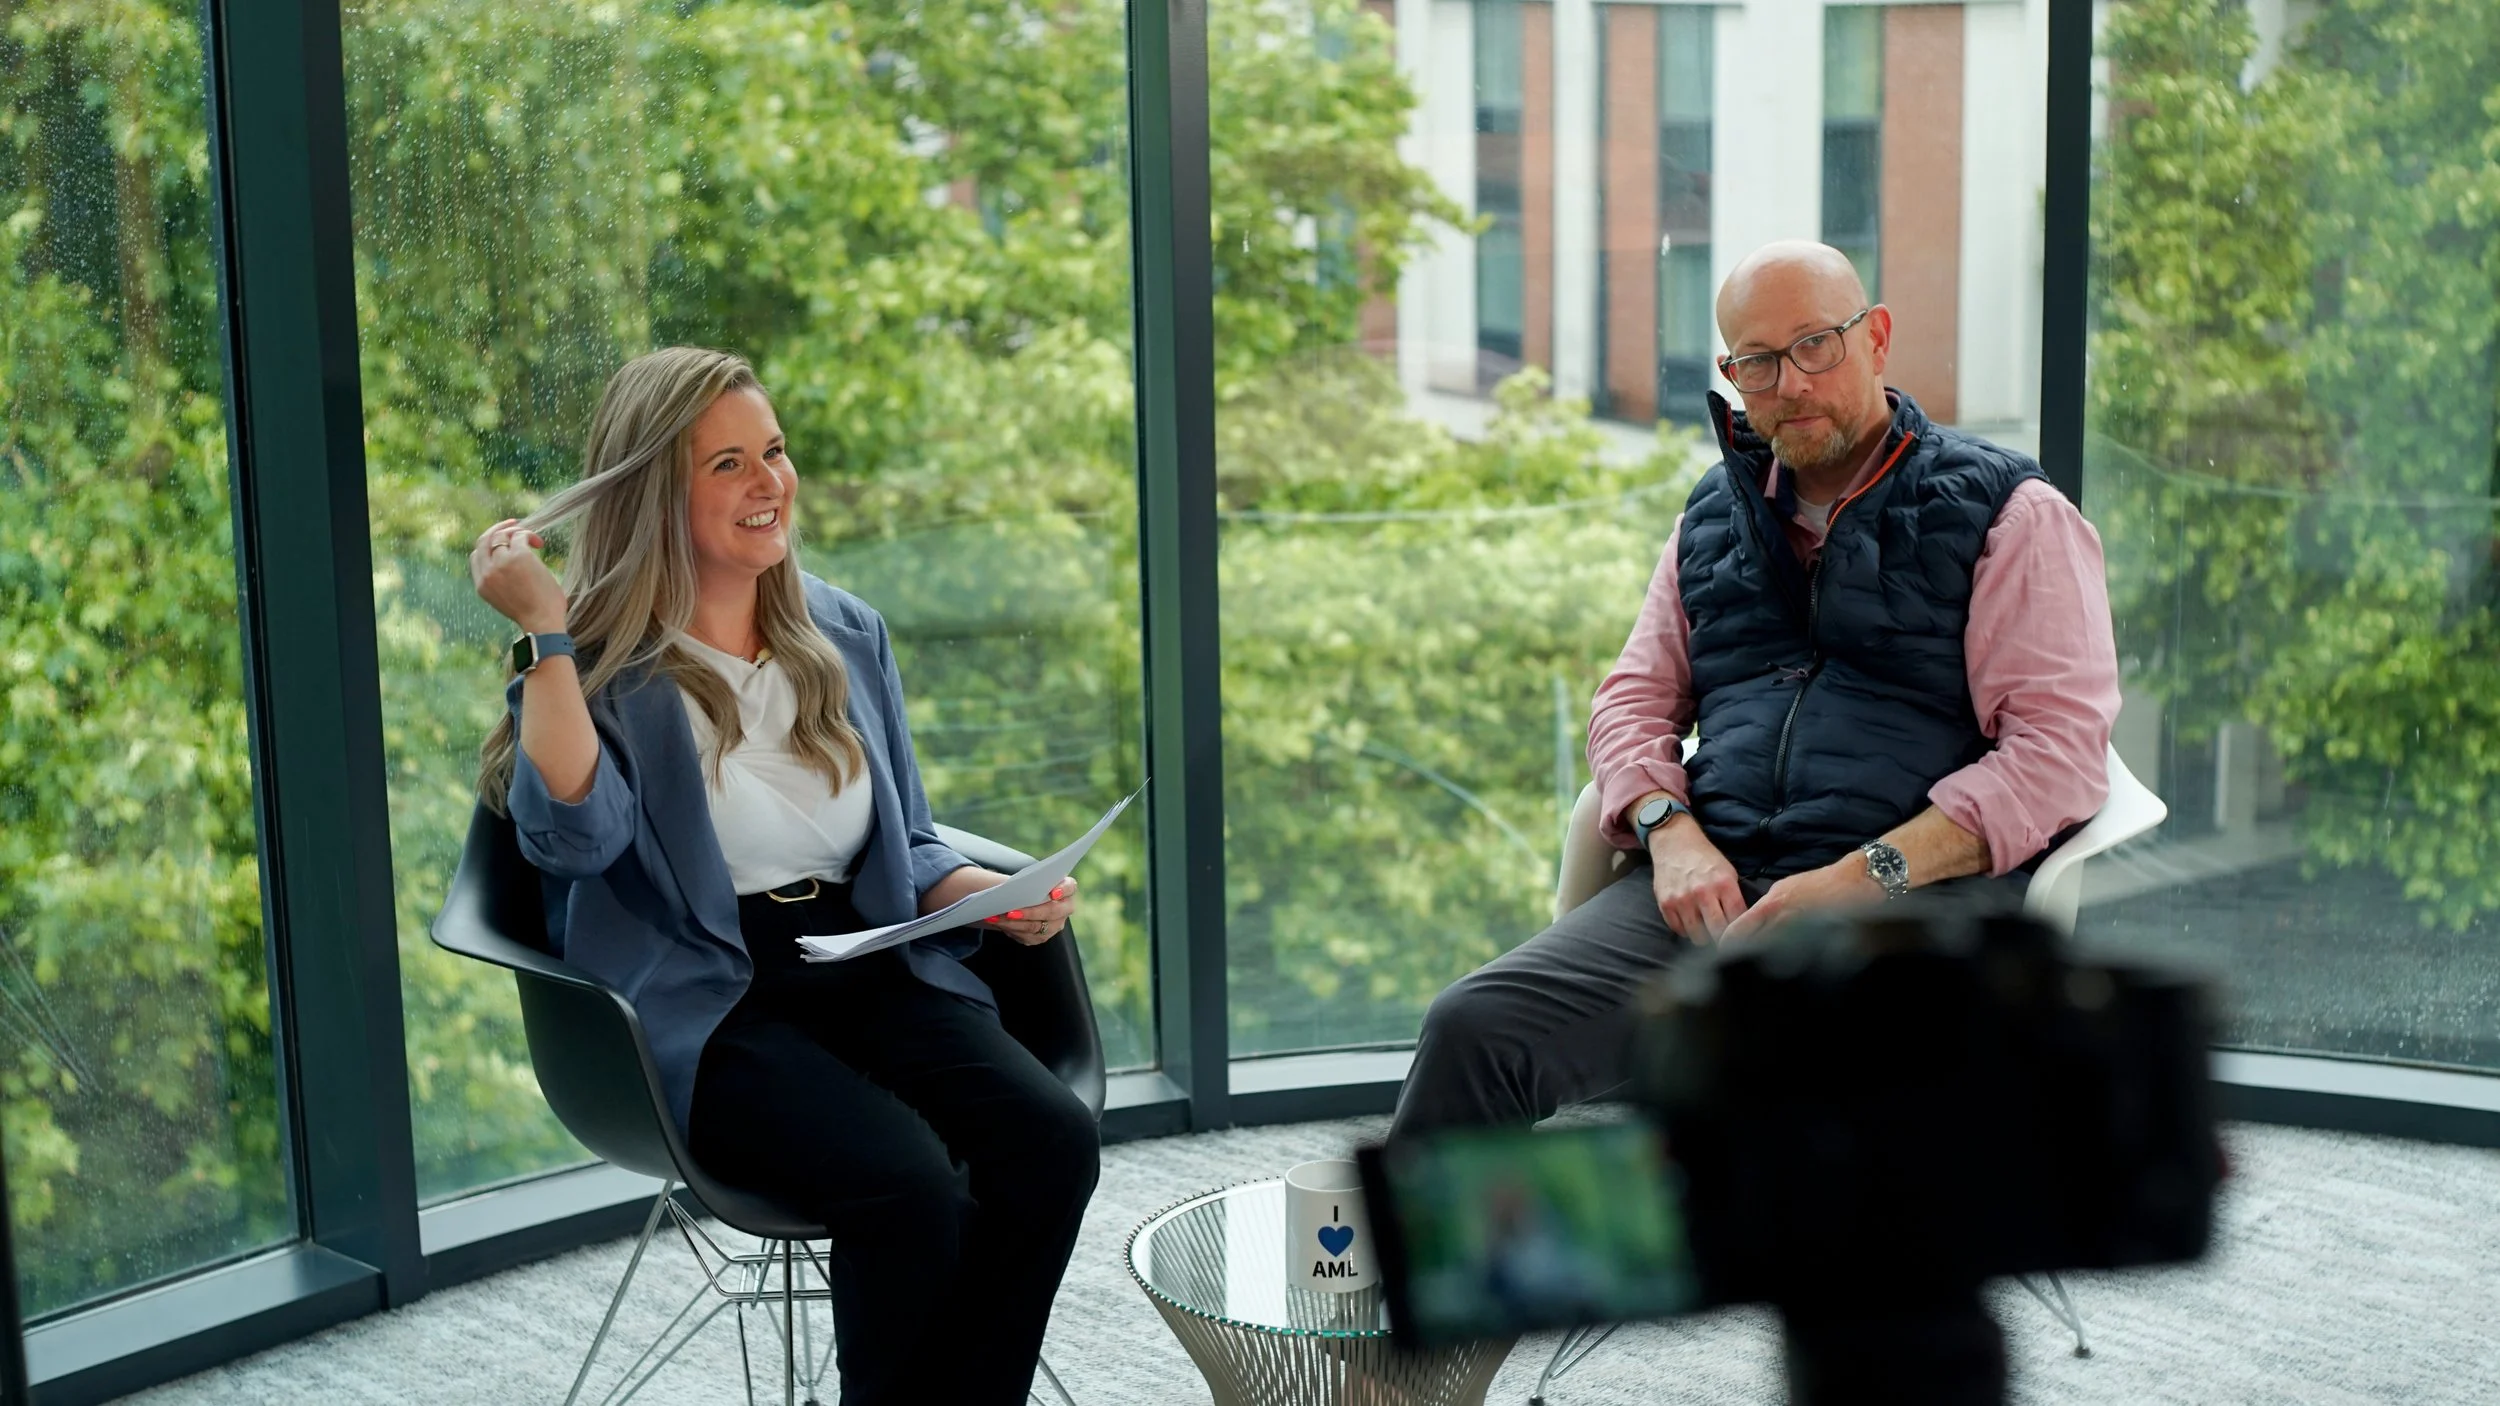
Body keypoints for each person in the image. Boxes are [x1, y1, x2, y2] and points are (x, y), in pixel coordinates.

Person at [463, 346, 1098, 1405]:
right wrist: (544, 632)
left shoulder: (845, 631)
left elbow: (902, 837)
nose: (770, 483)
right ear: (654, 494)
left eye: (774, 451)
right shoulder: (601, 668)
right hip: (710, 998)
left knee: (1050, 1140)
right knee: (906, 1186)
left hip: (869, 957)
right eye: (726, 464)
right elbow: (570, 846)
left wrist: (977, 895)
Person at [1392, 241, 2121, 1135]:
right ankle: (1458, 1276)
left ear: (1877, 337)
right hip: (1715, 894)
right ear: (1732, 374)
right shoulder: (1712, 513)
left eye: (1816, 344)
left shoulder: (2013, 514)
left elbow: (2059, 756)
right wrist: (1669, 832)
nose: (1791, 384)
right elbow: (1631, 701)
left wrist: (1866, 875)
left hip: (1909, 910)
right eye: (1758, 363)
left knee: (1837, 1125)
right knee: (1473, 1029)